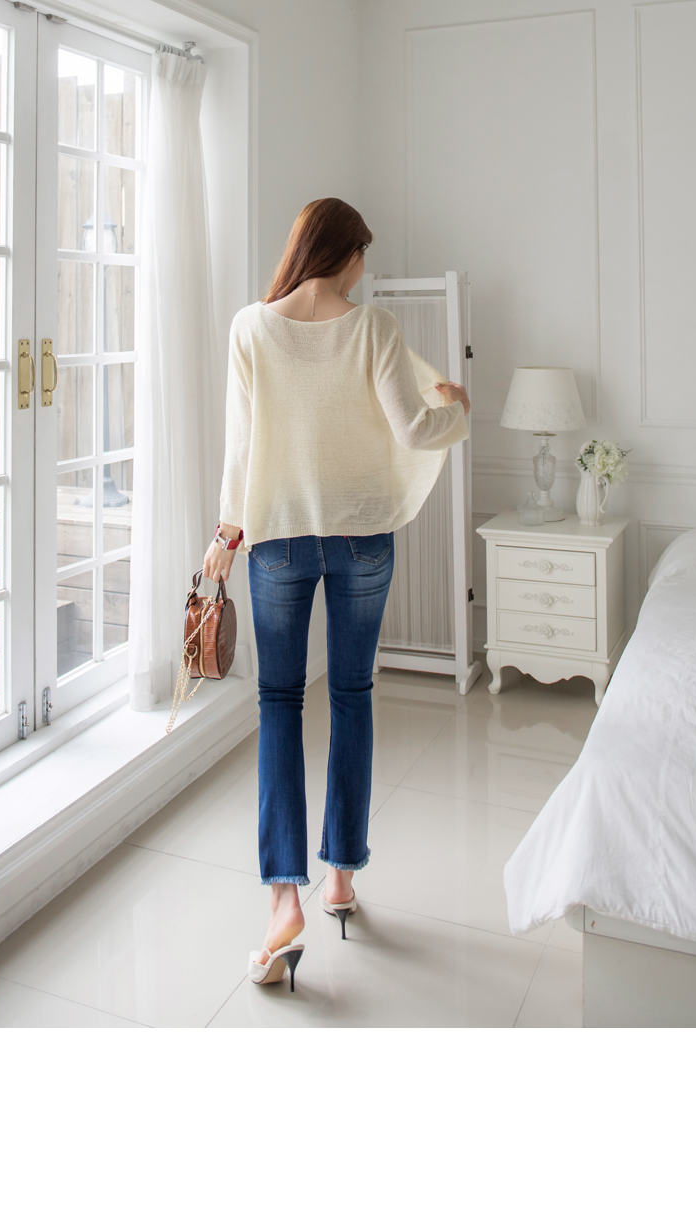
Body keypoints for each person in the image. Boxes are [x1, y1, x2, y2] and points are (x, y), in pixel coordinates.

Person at [201, 197, 470, 990]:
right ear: (344, 253)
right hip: (362, 538)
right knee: (352, 695)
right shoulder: (374, 328)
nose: (363, 270)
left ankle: (284, 901)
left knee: (279, 703)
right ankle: (341, 877)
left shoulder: (251, 328)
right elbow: (414, 430)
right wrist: (456, 410)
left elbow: (240, 449)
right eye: (362, 256)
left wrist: (226, 533)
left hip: (277, 540)